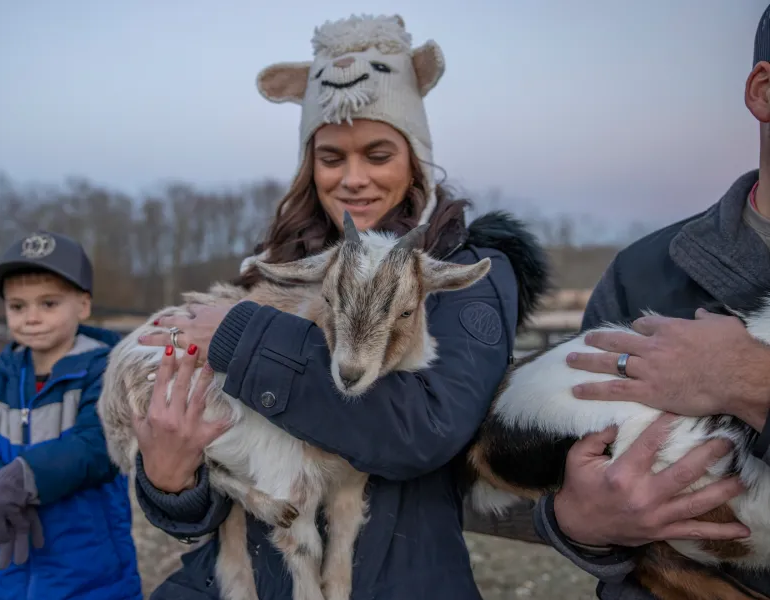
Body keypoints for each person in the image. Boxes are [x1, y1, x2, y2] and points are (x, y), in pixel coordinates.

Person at [128, 14, 550, 599]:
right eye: (332, 158)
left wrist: (246, 338)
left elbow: (425, 429)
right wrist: (170, 482)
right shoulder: (270, 268)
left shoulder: (460, 270)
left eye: (378, 154)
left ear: (415, 160)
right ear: (310, 165)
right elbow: (219, 468)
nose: (353, 179)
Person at [528, 5, 770, 598]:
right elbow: (569, 483)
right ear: (764, 91)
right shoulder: (644, 272)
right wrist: (576, 526)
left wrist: (749, 380)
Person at [0, 230, 143, 600]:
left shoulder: (108, 373)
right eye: (17, 306)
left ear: (82, 305)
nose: (31, 317)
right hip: (1, 575)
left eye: (48, 304)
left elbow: (97, 444)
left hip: (92, 578)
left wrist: (26, 477)